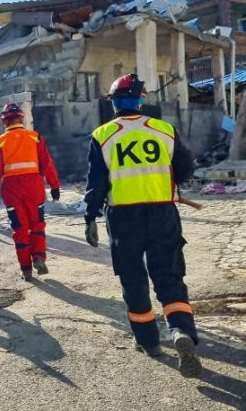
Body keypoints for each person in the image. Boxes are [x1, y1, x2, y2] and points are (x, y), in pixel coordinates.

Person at [83, 74, 201, 378]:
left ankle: (149, 343)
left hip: (123, 218)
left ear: (114, 102)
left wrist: (90, 217)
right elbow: (186, 169)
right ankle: (180, 331)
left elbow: (95, 184)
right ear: (141, 99)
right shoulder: (164, 130)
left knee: (133, 277)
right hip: (162, 213)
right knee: (169, 273)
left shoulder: (102, 135)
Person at [0, 103, 60, 281]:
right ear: (21, 118)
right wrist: (54, 185)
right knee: (37, 224)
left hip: (12, 189)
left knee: (20, 229)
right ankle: (39, 257)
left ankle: (26, 270)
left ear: (4, 121)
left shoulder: (0, 141)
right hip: (34, 186)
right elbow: (47, 163)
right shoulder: (35, 137)